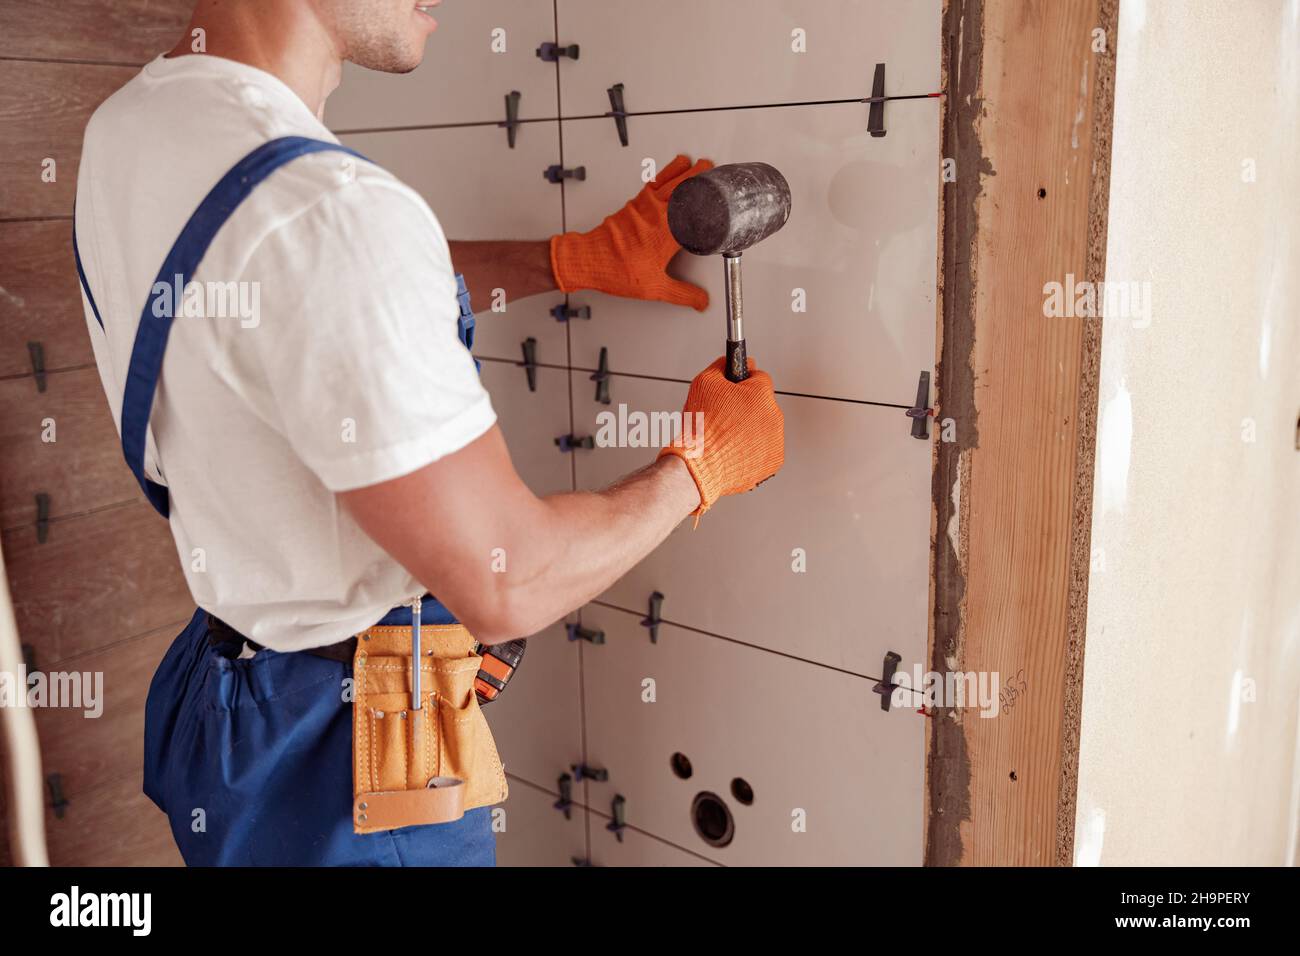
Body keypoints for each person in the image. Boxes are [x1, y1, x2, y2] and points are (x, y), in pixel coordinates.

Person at [73, 0, 785, 866]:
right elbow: (509, 580)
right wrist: (700, 466)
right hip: (359, 767)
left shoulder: (139, 122)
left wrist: (567, 260)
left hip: (233, 705)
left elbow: (308, 292)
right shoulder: (330, 209)